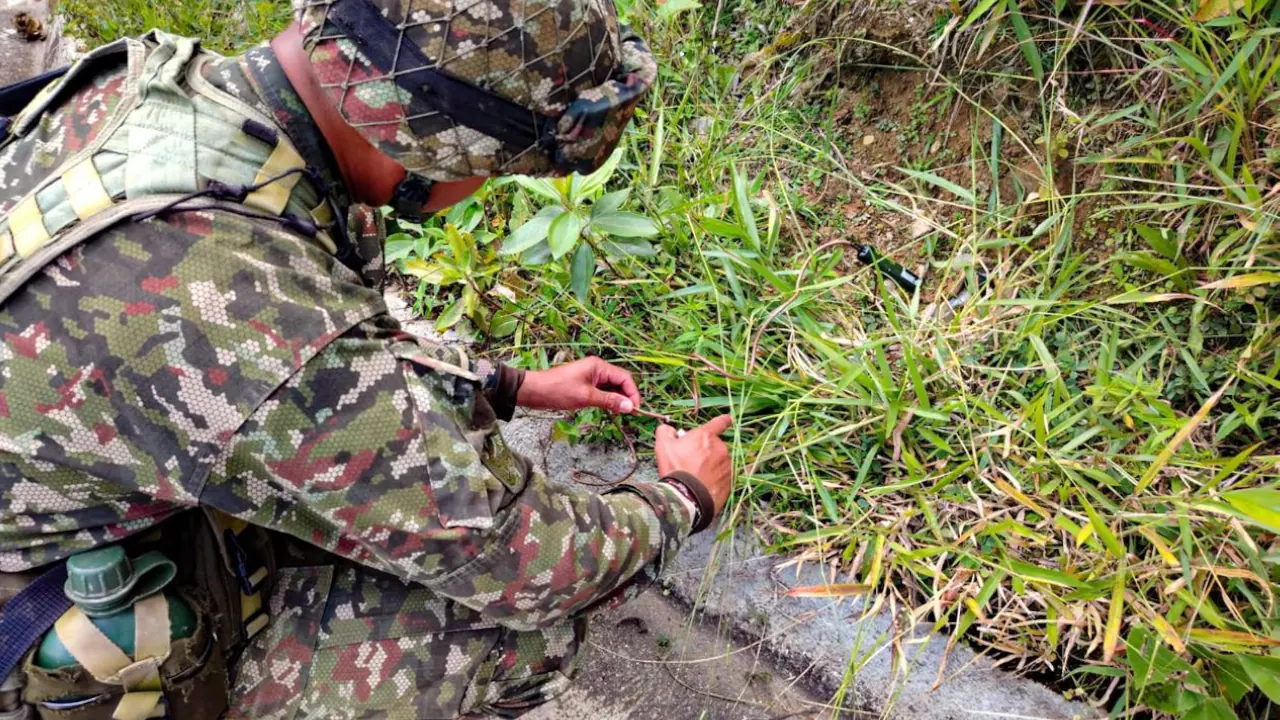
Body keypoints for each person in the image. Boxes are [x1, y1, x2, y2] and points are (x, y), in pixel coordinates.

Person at [0, 0, 735, 717]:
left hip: (84, 503)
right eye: (501, 168)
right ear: (431, 146)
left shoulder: (170, 91)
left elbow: (242, 369)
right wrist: (682, 500)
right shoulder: (249, 314)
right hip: (45, 620)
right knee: (518, 633)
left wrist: (508, 385)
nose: (490, 183)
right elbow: (530, 565)